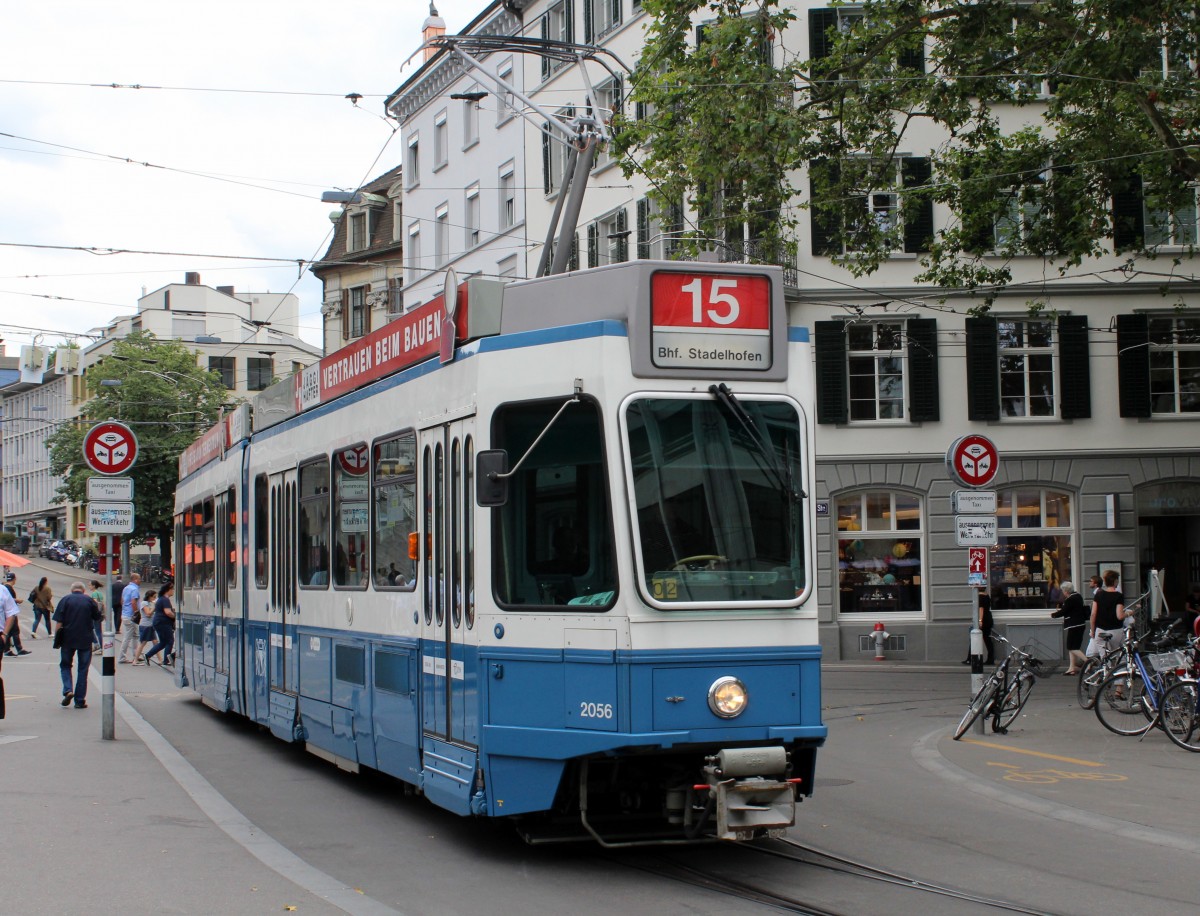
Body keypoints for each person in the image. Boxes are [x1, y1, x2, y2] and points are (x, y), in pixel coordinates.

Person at [52, 582, 103, 709]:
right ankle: (80, 700)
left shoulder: (65, 600)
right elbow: (98, 617)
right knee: (83, 669)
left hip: (67, 639)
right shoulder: (89, 601)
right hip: (85, 639)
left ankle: (68, 690)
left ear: (72, 589)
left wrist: (56, 639)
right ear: (83, 590)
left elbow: (59, 622)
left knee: (65, 665)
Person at [1089, 569, 1131, 658]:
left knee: (1104, 657)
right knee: (1118, 655)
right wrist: (1129, 613)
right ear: (1115, 581)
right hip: (1115, 630)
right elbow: (1120, 616)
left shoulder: (1098, 595)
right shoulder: (1118, 596)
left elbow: (1093, 615)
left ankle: (1106, 669)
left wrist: (1093, 631)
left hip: (1100, 630)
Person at [1051, 581, 1088, 674]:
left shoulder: (1070, 599)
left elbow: (1063, 611)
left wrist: (1053, 615)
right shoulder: (1078, 596)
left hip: (1074, 625)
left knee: (1072, 647)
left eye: (1063, 591)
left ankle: (1087, 662)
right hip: (1080, 624)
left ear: (1066, 591)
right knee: (1073, 647)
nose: (1062, 593)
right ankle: (1072, 668)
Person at [143, 583, 176, 666]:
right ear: (167, 590)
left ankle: (147, 655)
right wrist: (175, 616)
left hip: (158, 622)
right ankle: (167, 659)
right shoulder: (165, 600)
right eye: (172, 589)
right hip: (163, 622)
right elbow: (167, 612)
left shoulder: (160, 599)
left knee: (163, 642)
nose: (173, 591)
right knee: (170, 641)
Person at [961, 587, 995, 665]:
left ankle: (970, 659)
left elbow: (981, 609)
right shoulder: (987, 595)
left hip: (983, 620)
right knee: (988, 640)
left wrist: (980, 620)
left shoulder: (980, 597)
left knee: (974, 639)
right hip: (988, 618)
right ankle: (990, 659)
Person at [2, 572, 31, 657]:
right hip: (10, 613)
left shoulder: (5, 587)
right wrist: (17, 600)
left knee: (9, 632)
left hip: (7, 613)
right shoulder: (8, 588)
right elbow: (9, 600)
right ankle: (19, 649)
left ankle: (7, 649)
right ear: (14, 579)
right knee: (15, 631)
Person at [118, 573, 142, 663]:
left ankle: (136, 655)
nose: (140, 581)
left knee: (136, 635)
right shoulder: (134, 589)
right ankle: (122, 657)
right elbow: (133, 602)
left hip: (125, 614)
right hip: (131, 616)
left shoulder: (126, 588)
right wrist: (136, 612)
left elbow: (122, 601)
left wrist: (125, 609)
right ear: (135, 579)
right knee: (128, 637)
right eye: (139, 579)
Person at [134, 590, 157, 665]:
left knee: (155, 642)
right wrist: (154, 607)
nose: (154, 599)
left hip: (150, 625)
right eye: (153, 597)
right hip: (145, 625)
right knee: (143, 643)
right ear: (149, 597)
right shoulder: (144, 603)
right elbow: (148, 614)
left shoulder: (150, 603)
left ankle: (160, 660)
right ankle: (135, 660)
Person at [88, 580, 106, 650]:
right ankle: (98, 645)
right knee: (98, 630)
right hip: (100, 614)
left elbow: (94, 603)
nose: (89, 586)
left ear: (93, 586)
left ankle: (98, 645)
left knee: (93, 630)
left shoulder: (94, 594)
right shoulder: (100, 594)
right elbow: (103, 604)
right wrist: (104, 614)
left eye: (90, 585)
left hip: (95, 614)